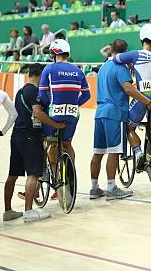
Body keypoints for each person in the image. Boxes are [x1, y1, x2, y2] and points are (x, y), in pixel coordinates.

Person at [90, 39, 151, 200]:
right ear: (124, 53)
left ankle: (94, 188)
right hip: (115, 113)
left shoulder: (104, 66)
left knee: (98, 153)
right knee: (114, 152)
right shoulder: (120, 67)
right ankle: (111, 188)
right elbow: (128, 88)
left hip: (100, 112)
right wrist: (147, 101)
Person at [3, 64, 67, 223]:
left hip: (17, 135)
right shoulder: (34, 91)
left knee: (13, 175)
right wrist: (56, 124)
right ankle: (28, 211)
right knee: (33, 174)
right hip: (30, 137)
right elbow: (37, 112)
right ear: (39, 74)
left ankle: (8, 211)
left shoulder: (20, 92)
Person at [111, 24, 151, 173]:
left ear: (142, 38)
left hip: (143, 98)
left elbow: (115, 58)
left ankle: (138, 153)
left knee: (129, 127)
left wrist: (130, 63)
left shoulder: (135, 54)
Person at [38, 39, 90, 197]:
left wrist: (49, 107)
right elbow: (87, 95)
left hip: (54, 114)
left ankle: (47, 175)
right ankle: (70, 174)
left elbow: (42, 95)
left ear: (54, 53)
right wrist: (73, 104)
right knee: (67, 144)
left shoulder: (49, 69)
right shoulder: (78, 71)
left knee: (45, 140)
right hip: (73, 113)